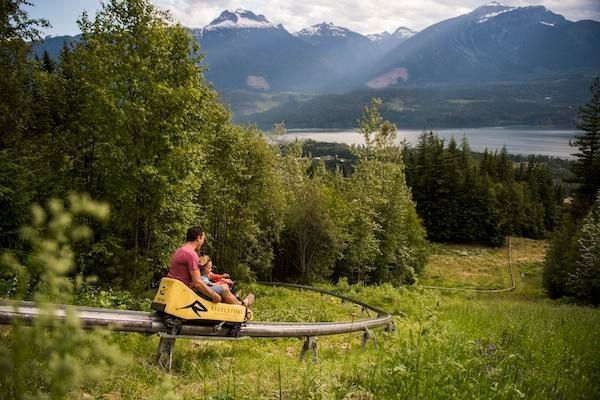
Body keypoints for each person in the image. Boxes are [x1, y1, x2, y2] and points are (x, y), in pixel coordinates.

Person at [167, 226, 254, 307]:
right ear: (199, 238)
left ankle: (235, 300)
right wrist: (214, 295)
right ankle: (241, 306)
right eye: (203, 239)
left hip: (178, 288)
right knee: (224, 290)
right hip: (188, 291)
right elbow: (197, 283)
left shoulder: (179, 251)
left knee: (219, 286)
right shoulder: (191, 254)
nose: (203, 242)